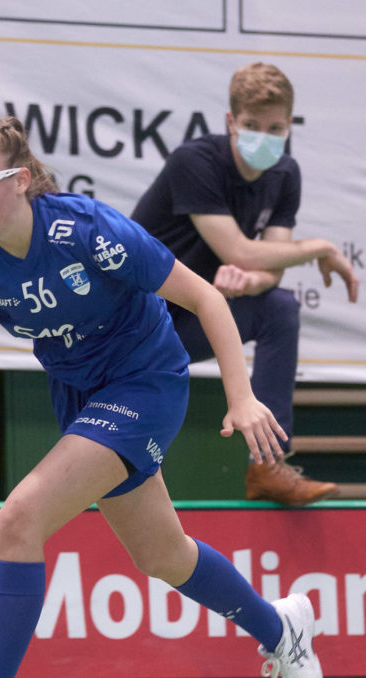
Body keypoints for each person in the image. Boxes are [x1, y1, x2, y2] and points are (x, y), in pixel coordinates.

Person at [0, 116, 323, 678]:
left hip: (146, 380)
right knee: (162, 553)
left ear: (23, 180)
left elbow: (207, 298)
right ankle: (282, 628)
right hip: (79, 394)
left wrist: (241, 396)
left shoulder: (88, 232)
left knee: (19, 518)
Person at [132, 62, 359, 507]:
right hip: (134, 325)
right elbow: (240, 249)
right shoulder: (194, 162)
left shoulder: (284, 174)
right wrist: (318, 247)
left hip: (194, 317)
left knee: (278, 306)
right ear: (231, 122)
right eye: (252, 126)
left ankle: (267, 466)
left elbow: (264, 265)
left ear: (289, 125)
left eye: (275, 127)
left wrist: (250, 282)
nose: (264, 136)